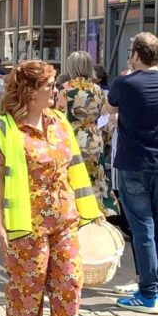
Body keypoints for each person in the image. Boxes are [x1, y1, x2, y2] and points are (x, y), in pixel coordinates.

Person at [0, 60, 103, 316]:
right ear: (30, 91)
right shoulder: (3, 129)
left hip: (64, 221)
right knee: (26, 291)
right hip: (25, 224)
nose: (56, 89)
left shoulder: (60, 122)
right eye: (49, 85)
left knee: (68, 287)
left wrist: (92, 212)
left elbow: (75, 167)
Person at [106, 33, 158, 312]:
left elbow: (108, 109)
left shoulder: (124, 83)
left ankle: (147, 293)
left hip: (133, 164)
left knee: (143, 229)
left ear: (137, 54)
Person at [58, 51, 117, 218]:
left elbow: (59, 117)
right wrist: (103, 137)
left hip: (73, 136)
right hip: (93, 136)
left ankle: (76, 213)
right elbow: (106, 116)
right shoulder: (97, 89)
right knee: (95, 177)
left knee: (73, 177)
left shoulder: (65, 90)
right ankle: (97, 212)